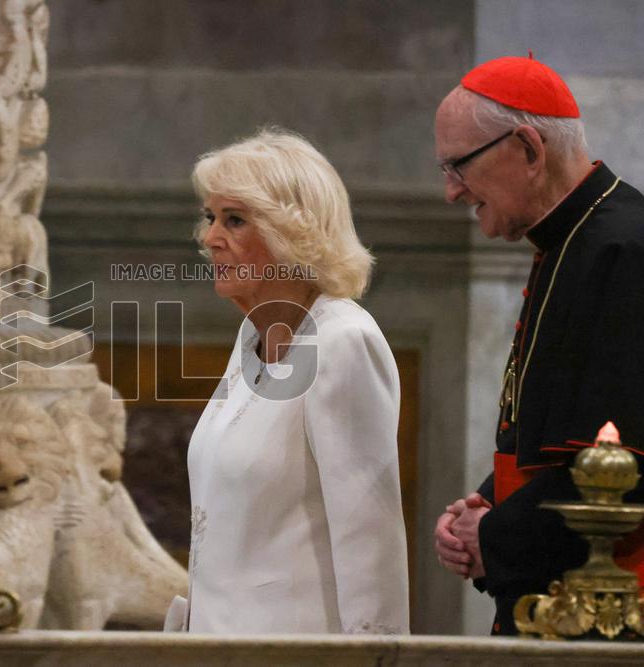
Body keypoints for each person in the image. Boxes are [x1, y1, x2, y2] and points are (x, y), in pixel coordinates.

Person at [432, 54, 644, 635]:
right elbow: (554, 436)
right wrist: (482, 505)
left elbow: (626, 461)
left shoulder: (626, 250)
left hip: (612, 616)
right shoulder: (568, 242)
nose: (451, 192)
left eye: (458, 167)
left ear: (527, 148)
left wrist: (496, 534)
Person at [174, 128, 409, 634]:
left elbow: (370, 543)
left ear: (295, 233)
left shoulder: (343, 342)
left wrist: (379, 655)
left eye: (234, 220)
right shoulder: (251, 336)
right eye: (210, 217)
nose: (211, 237)